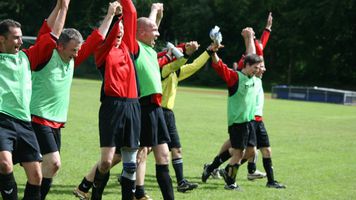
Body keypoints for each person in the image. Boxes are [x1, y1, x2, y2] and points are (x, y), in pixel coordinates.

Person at [30, 2, 121, 199]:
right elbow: (50, 29)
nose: (77, 54)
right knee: (53, 163)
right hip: (37, 118)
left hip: (56, 122)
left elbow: (97, 39)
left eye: (78, 50)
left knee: (45, 168)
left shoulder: (72, 60)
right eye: (73, 50)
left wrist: (111, 15)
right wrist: (62, 6)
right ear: (60, 46)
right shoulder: (46, 53)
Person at [72, 1, 141, 200]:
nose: (120, 35)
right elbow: (110, 35)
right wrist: (116, 18)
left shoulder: (129, 48)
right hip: (112, 107)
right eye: (117, 32)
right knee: (105, 162)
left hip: (133, 107)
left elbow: (132, 13)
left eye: (122, 32)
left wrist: (123, 9)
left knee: (130, 163)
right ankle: (95, 195)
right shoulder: (103, 52)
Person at [0, 0, 67, 198]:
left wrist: (62, 6)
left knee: (36, 176)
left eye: (21, 37)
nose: (21, 41)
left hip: (24, 123)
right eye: (16, 38)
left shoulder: (27, 58)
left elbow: (51, 33)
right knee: (4, 163)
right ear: (1, 39)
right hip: (2, 120)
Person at [206, 27, 263, 190]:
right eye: (256, 68)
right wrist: (213, 52)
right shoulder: (235, 77)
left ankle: (218, 168)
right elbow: (220, 67)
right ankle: (230, 182)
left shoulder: (253, 77)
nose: (258, 70)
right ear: (246, 65)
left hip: (250, 122)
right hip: (238, 122)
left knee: (251, 152)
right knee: (238, 153)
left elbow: (252, 53)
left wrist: (249, 37)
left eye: (259, 68)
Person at [132, 2, 175, 200]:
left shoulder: (149, 48)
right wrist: (154, 10)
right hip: (143, 106)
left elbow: (151, 27)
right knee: (128, 154)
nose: (157, 34)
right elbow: (145, 26)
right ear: (140, 33)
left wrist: (157, 13)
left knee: (163, 155)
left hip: (156, 108)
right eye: (154, 31)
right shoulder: (136, 47)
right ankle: (91, 180)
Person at [160, 41, 211, 192]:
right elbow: (177, 64)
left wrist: (208, 51)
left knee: (176, 148)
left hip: (168, 114)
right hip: (156, 112)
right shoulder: (163, 69)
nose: (177, 57)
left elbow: (194, 66)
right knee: (145, 149)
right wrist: (187, 53)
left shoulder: (176, 72)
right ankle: (128, 173)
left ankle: (181, 182)